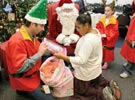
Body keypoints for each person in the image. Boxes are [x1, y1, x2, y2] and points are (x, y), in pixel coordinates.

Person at [53, 13, 121, 100]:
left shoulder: (88, 41)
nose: (77, 30)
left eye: (78, 27)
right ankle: (108, 85)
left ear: (86, 25)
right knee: (96, 81)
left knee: (82, 92)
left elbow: (81, 60)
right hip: (95, 68)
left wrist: (63, 57)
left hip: (85, 72)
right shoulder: (96, 31)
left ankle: (102, 93)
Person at [5, 0, 56, 100]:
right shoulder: (17, 41)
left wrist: (53, 51)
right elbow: (20, 68)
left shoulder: (32, 36)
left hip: (34, 74)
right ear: (33, 24)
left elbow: (37, 50)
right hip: (25, 80)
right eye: (41, 25)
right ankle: (22, 91)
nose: (43, 29)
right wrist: (39, 54)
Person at [96, 0, 119, 70]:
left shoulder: (114, 21)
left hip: (109, 39)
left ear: (112, 11)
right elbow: (98, 27)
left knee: (108, 51)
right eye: (105, 10)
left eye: (108, 11)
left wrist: (106, 35)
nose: (106, 12)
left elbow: (115, 31)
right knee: (101, 50)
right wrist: (100, 33)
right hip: (102, 38)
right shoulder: (102, 19)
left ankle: (106, 62)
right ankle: (102, 60)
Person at [119, 12, 135, 78]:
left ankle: (128, 71)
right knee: (129, 51)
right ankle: (129, 63)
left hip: (134, 37)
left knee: (133, 55)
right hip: (131, 35)